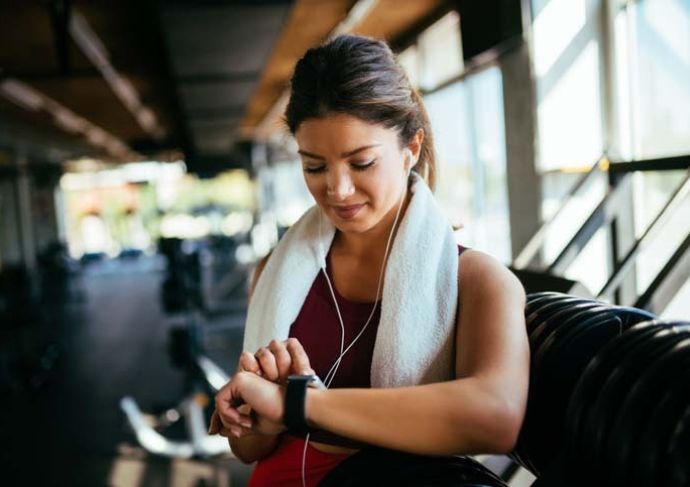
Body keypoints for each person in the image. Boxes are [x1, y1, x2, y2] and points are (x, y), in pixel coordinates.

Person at [208, 34, 529, 486]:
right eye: (314, 167)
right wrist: (252, 415)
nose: (336, 190)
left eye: (361, 163)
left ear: (410, 149)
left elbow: (495, 417)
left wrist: (299, 404)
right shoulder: (274, 272)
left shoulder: (477, 280)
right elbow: (247, 450)